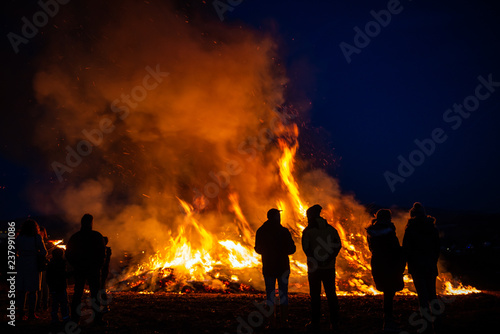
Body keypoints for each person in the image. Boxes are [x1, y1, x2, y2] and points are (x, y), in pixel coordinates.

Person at [302, 204, 341, 333]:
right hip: (329, 268)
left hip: (315, 269)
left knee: (315, 296)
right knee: (331, 295)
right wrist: (329, 258)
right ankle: (335, 323)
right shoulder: (331, 229)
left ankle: (315, 323)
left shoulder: (308, 231)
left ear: (311, 216)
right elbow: (337, 245)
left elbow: (306, 249)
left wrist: (317, 260)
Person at [255, 208, 296, 328]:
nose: (280, 217)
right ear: (275, 217)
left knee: (270, 295)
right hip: (282, 267)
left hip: (268, 267)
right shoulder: (283, 231)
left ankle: (271, 322)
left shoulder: (261, 231)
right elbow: (291, 249)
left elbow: (258, 249)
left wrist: (268, 252)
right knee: (283, 294)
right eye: (278, 215)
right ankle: (284, 321)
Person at [403, 202, 440, 333]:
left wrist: (406, 264)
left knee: (423, 296)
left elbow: (406, 249)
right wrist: (432, 261)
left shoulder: (410, 229)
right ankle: (438, 321)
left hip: (417, 267)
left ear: (412, 216)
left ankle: (427, 324)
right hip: (430, 266)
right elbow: (437, 249)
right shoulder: (432, 228)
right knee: (432, 294)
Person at [366, 209, 405, 332]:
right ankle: (388, 321)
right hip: (390, 263)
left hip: (378, 263)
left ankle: (387, 319)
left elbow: (372, 249)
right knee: (390, 291)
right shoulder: (389, 232)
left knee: (387, 291)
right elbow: (394, 248)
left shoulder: (371, 232)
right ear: (387, 218)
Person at [66, 214, 106, 325]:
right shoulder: (97, 236)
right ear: (91, 223)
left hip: (80, 269)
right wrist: (98, 265)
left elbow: (68, 253)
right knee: (95, 294)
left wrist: (75, 265)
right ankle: (97, 319)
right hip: (93, 269)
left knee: (77, 294)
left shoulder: (76, 237)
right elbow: (102, 253)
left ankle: (75, 319)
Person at [15, 219, 47, 321]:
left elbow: (12, 251)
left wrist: (20, 256)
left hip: (21, 264)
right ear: (35, 228)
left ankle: (20, 313)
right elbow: (44, 252)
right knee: (33, 291)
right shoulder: (37, 237)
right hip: (33, 264)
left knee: (21, 290)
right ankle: (31, 314)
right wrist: (35, 254)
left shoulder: (19, 238)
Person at [47, 247, 70, 324]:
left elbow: (48, 277)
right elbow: (64, 275)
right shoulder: (62, 264)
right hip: (61, 287)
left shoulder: (50, 264)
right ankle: (65, 318)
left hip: (53, 287)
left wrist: (49, 285)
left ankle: (54, 318)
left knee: (54, 303)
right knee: (63, 303)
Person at [37, 225, 50, 311]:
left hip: (45, 267)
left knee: (45, 286)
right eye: (39, 232)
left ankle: (45, 304)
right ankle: (37, 304)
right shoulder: (36, 242)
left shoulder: (48, 243)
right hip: (38, 266)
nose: (41, 233)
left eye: (42, 232)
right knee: (38, 286)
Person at [100, 236, 112, 311]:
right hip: (100, 270)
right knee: (100, 288)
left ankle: (104, 305)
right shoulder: (104, 249)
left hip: (103, 270)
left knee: (102, 288)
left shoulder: (107, 250)